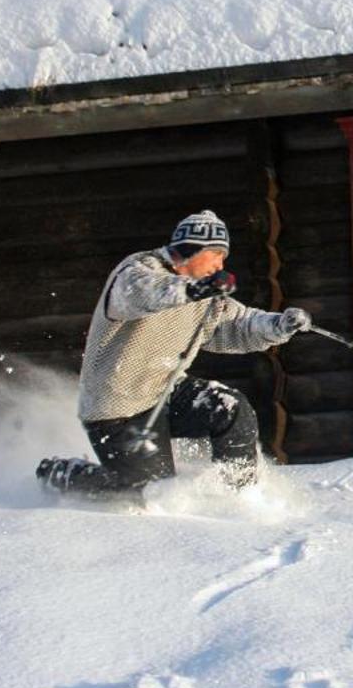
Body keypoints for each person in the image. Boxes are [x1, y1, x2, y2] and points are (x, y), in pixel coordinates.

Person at [36, 210, 309, 499]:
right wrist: (199, 288)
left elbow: (237, 326)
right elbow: (145, 295)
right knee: (148, 493)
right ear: (191, 249)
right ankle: (62, 475)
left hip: (163, 391)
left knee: (230, 408)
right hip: (116, 406)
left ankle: (239, 496)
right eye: (216, 254)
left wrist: (279, 325)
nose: (220, 264)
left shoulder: (206, 296)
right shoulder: (137, 271)